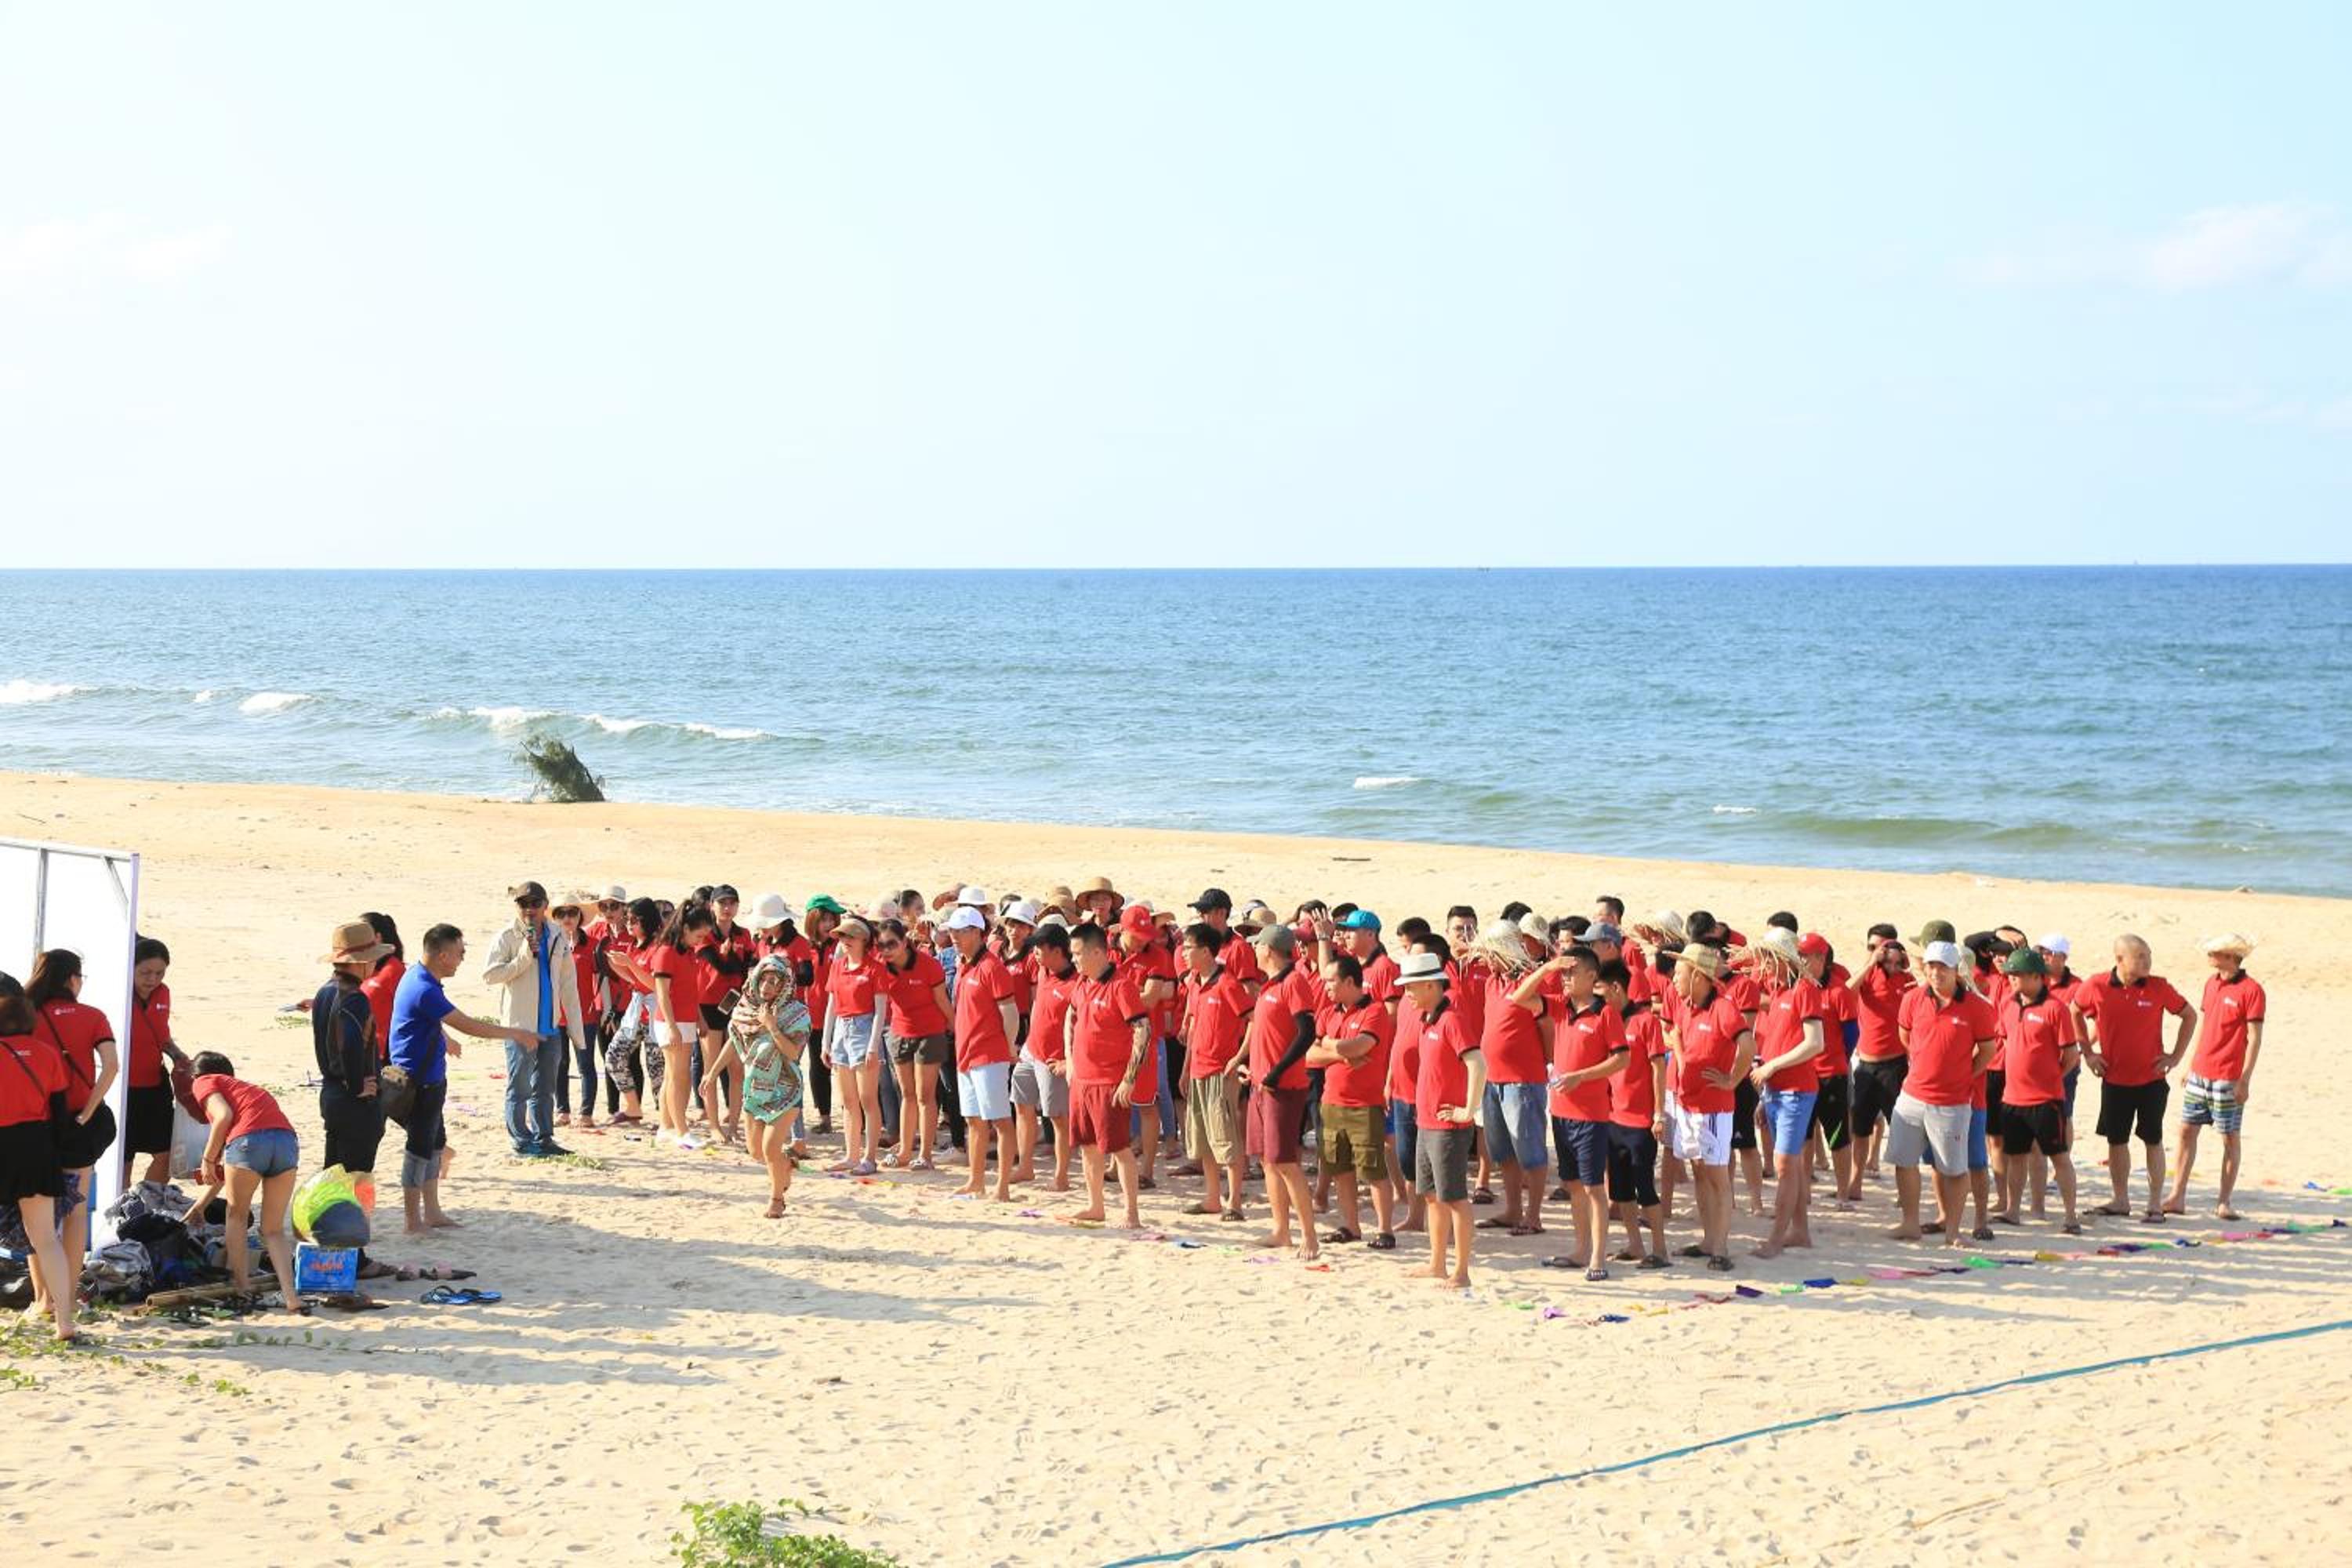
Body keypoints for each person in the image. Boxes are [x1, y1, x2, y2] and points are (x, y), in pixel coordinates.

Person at [390, 924, 539, 1233]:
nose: (462, 959)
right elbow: (469, 1025)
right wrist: (515, 1033)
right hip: (418, 1082)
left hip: (430, 1078)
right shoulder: (424, 987)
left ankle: (432, 1213)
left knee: (435, 1146)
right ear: (443, 956)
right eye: (460, 953)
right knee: (418, 1150)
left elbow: (428, 1020)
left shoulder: (418, 977)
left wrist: (445, 1039)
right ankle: (412, 1220)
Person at [2074, 933, 2196, 1222]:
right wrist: (2088, 1052)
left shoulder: (2159, 986)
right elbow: (2074, 1011)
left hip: (2151, 1080)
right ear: (2120, 959)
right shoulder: (2097, 985)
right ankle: (2121, 1199)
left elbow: (2190, 1015)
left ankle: (2155, 1204)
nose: (2147, 962)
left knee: (2153, 1139)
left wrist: (2175, 1057)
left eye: (2148, 955)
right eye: (2140, 957)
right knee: (2116, 1141)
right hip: (2114, 1080)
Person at [1887, 941, 1998, 1248]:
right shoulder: (1912, 999)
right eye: (1931, 966)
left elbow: (1988, 1050)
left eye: (1942, 967)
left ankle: (1953, 1231)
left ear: (1955, 970)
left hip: (1952, 1102)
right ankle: (1910, 1223)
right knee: (1904, 1161)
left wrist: (1965, 1074)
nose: (1936, 973)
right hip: (1912, 1095)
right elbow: (1905, 1035)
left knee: (1954, 1169)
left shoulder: (1977, 1007)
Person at [182, 1051, 305, 1313]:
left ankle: (242, 1287)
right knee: (273, 1229)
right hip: (286, 1142)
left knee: (236, 1216)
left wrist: (207, 1158)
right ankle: (291, 1296)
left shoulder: (204, 1081)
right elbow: (229, 1171)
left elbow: (223, 1116)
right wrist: (200, 1206)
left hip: (249, 1141)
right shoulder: (247, 1092)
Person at [26, 949, 118, 1289]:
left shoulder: (27, 1015)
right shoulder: (93, 1016)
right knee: (76, 1213)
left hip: (37, 1123)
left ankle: (43, 1298)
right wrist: (88, 1112)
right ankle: (69, 1293)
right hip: (79, 1124)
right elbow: (111, 1066)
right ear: (72, 979)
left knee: (37, 1217)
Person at [480, 881, 590, 1159]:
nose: (529, 909)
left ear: (545, 906)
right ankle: (520, 1140)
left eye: (535, 903)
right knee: (519, 1087)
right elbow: (490, 975)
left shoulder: (557, 934)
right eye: (523, 904)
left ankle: (544, 1138)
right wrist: (523, 957)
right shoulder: (507, 936)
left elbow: (568, 984)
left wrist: (576, 1031)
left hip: (549, 1026)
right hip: (519, 1026)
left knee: (545, 1087)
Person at [1663, 945, 1753, 1272]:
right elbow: (1676, 1035)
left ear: (1698, 976)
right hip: (1688, 1103)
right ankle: (1708, 1240)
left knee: (1718, 1177)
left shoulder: (1723, 1007)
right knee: (1700, 1170)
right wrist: (1681, 1056)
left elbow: (1748, 1044)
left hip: (1713, 1108)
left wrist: (1733, 1080)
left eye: (1679, 974)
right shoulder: (1686, 1005)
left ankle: (1721, 1247)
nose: (1674, 980)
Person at [700, 952, 809, 1218]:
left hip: (786, 1089)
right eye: (763, 979)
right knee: (757, 1152)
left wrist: (772, 1027)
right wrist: (712, 1073)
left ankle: (777, 1199)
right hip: (755, 1088)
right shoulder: (746, 1008)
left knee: (771, 1148)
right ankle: (786, 1165)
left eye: (774, 981)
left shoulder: (796, 1013)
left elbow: (793, 1053)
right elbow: (734, 1040)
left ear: (785, 985)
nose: (766, 987)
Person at [2165, 935, 2266, 1221]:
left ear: (2232, 957)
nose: (2210, 955)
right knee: (2186, 1131)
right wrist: (2190, 1065)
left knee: (2229, 1137)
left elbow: (2255, 1038)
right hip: (2201, 1072)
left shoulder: (2252, 990)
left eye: (2216, 952)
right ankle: (2177, 1196)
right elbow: (2205, 1025)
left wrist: (2245, 1079)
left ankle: (2224, 1201)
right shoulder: (2211, 984)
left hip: (2228, 1077)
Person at [0, 972, 78, 1341]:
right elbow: (60, 1113)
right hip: (37, 1145)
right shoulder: (47, 1054)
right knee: (46, 1238)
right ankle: (65, 1322)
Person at [1541, 946, 1628, 1279]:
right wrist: (1549, 967)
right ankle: (1580, 1249)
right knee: (1573, 1184)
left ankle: (1597, 1258)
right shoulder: (1560, 1007)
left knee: (1593, 1187)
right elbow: (1519, 998)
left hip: (1591, 1115)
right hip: (1560, 1111)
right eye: (1563, 973)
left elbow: (1621, 1058)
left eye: (1571, 972)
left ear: (1592, 976)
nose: (1565, 978)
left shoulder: (1606, 1014)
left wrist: (1581, 1076)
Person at [1401, 950, 1483, 1290]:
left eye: (1411, 987)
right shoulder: (1428, 1019)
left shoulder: (1452, 1019)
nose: (1407, 993)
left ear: (1431, 986)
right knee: (1433, 1196)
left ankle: (1461, 1271)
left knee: (1454, 1198)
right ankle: (1437, 1263)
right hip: (1427, 1121)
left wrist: (1468, 1109)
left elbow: (1477, 1062)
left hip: (1448, 1126)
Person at [1244, 923, 1323, 1262]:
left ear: (1269, 949)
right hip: (1261, 1084)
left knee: (1286, 1162)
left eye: (1257, 945)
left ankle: (1309, 1236)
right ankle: (1281, 1230)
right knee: (1268, 1161)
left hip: (1284, 1087)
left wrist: (1276, 1073)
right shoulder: (1269, 985)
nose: (1254, 950)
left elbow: (1307, 1032)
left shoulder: (1293, 982)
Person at [1305, 952, 1396, 1249]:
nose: (1326, 986)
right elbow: (1310, 1056)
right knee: (1339, 1169)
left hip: (1364, 1105)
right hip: (1331, 1102)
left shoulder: (1375, 1011)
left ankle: (1384, 1230)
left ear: (1348, 981)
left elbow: (1361, 1046)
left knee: (1373, 1170)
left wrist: (1330, 1045)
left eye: (1331, 981)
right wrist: (1341, 1054)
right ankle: (1351, 1226)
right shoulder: (1328, 1013)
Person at [1744, 929, 1824, 1260]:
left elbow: (1815, 1042)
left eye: (1768, 957)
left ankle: (1777, 1238)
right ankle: (1799, 1231)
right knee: (1790, 1165)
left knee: (1785, 1165)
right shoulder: (1778, 991)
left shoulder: (1804, 989)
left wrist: (1772, 1067)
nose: (1763, 964)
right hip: (1777, 1090)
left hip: (1796, 1091)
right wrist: (1766, 1086)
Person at [1065, 922, 1149, 1229]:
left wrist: (1129, 1078)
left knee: (1119, 1148)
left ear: (1097, 953)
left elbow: (1142, 1030)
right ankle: (1096, 1205)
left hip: (1109, 1080)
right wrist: (1069, 1059)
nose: (1073, 960)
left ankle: (1131, 1212)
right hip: (1082, 1080)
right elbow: (1070, 1016)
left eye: (1078, 954)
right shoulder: (1082, 983)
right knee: (1087, 1146)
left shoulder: (1121, 986)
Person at [1991, 948, 2081, 1232]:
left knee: (2059, 1157)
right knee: (2016, 1157)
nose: (2012, 980)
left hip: (2046, 1099)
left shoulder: (2056, 1008)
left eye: (2017, 975)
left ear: (2035, 976)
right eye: (2010, 975)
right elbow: (2006, 1041)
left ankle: (2070, 1216)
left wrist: (2052, 1077)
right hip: (2012, 1098)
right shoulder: (2007, 1005)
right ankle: (2013, 1210)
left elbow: (2071, 1055)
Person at [1475, 920, 1553, 1236]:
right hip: (1492, 1077)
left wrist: (1547, 1061)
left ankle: (1533, 1216)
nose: (1486, 959)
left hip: (1523, 1078)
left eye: (1491, 952)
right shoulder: (1491, 982)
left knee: (1530, 1150)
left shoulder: (1530, 982)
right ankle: (1513, 1210)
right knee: (1503, 1151)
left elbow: (1547, 1026)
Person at [1176, 921, 1251, 1221]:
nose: (1183, 953)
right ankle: (1212, 1198)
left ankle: (1235, 1202)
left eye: (1188, 948)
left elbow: (1253, 1020)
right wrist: (1185, 1069)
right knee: (1204, 1139)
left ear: (1206, 951)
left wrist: (1238, 1057)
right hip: (1198, 1069)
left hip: (1221, 1071)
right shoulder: (1196, 983)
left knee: (1226, 1138)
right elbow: (1194, 1028)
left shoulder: (1228, 983)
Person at [946, 907, 1019, 1201]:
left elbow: (1010, 1012)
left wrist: (1009, 1046)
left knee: (1000, 1121)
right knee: (974, 1121)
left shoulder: (992, 967)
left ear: (977, 932)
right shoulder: (963, 965)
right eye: (952, 931)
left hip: (989, 1054)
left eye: (960, 931)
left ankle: (1002, 1186)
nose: (953, 936)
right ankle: (976, 1181)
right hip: (966, 1053)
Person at [1598, 957, 1668, 1268]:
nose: (1598, 999)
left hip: (1641, 1121)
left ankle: (1660, 1250)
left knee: (1645, 1187)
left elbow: (1658, 1068)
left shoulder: (1645, 1021)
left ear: (1616, 988)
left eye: (1601, 992)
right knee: (1621, 1189)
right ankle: (1636, 1245)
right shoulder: (1607, 1020)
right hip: (1613, 1118)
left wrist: (1658, 1114)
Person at [873, 918, 953, 1171]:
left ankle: (926, 1155)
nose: (886, 950)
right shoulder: (880, 966)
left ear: (904, 942)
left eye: (892, 944)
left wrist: (955, 1027)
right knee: (907, 1094)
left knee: (924, 1095)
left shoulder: (929, 965)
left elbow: (942, 1001)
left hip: (930, 1032)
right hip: (899, 1032)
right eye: (881, 945)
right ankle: (905, 1151)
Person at [311, 921, 387, 1174]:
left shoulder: (324, 991)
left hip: (332, 1095)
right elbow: (351, 1044)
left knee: (333, 1177)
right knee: (355, 1179)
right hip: (353, 1102)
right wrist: (357, 1086)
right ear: (361, 961)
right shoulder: (354, 997)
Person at [1845, 926, 1915, 1194]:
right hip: (1866, 1065)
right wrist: (1871, 962)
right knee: (1860, 1129)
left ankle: (1903, 1190)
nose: (1893, 966)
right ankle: (1855, 1183)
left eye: (1898, 961)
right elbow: (1846, 992)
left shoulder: (1907, 980)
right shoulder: (1869, 976)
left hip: (1895, 1065)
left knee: (1900, 1130)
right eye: (1889, 961)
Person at [1113, 906, 1178, 1188]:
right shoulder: (1105, 950)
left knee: (1147, 1103)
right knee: (1116, 1102)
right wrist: (1130, 995)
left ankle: (1148, 1170)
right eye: (1137, 936)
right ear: (1122, 930)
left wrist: (1113, 995)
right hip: (1112, 1037)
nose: (1142, 941)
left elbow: (1151, 999)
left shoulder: (1158, 955)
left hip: (1145, 1036)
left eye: (1145, 936)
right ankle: (1115, 1165)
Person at [643, 903, 717, 1148]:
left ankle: (665, 1126)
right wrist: (672, 1026)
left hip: (686, 1019)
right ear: (685, 928)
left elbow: (690, 990)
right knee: (678, 1076)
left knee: (672, 1075)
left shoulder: (688, 952)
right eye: (699, 935)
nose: (701, 941)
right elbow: (662, 994)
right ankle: (682, 1131)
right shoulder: (666, 952)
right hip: (670, 1021)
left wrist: (699, 1018)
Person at [1012, 922, 1077, 1190]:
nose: (1035, 953)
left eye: (1040, 949)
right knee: (1021, 1105)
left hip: (1054, 1059)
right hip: (1031, 1051)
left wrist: (1068, 1062)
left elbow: (1084, 1027)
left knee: (1058, 1119)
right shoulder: (1043, 971)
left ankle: (1061, 1177)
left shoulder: (1077, 983)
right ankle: (1025, 1167)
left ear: (1058, 951)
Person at [124, 935, 190, 1185]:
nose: (152, 980)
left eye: (160, 973)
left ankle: (147, 1201)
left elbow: (162, 1036)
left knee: (166, 1154)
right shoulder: (118, 994)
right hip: (123, 1090)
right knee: (124, 1159)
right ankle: (121, 1204)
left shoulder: (163, 993)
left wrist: (179, 1056)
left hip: (155, 1085)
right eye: (145, 973)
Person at [821, 916, 885, 1174]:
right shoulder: (838, 966)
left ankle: (869, 1157)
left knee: (867, 1099)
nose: (845, 941)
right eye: (843, 937)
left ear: (864, 940)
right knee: (848, 1100)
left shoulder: (875, 969)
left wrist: (873, 1046)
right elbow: (832, 1005)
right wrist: (826, 1042)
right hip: (842, 1030)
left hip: (863, 1029)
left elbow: (880, 1011)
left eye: (851, 936)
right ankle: (852, 1155)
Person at [698, 886, 758, 1138]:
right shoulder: (704, 934)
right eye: (722, 902)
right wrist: (732, 958)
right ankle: (714, 1126)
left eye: (732, 903)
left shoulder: (744, 934)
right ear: (711, 905)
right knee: (711, 1069)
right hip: (709, 1005)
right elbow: (722, 967)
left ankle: (733, 1125)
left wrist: (731, 957)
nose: (727, 907)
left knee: (737, 1070)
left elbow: (747, 969)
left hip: (735, 1005)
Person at [550, 894, 602, 1131]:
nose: (567, 918)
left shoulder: (592, 944)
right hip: (557, 1014)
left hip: (585, 1014)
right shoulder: (550, 944)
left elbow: (601, 979)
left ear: (580, 916)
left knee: (586, 1064)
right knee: (560, 1063)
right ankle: (562, 1111)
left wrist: (603, 1009)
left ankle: (586, 1113)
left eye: (572, 912)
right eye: (561, 913)